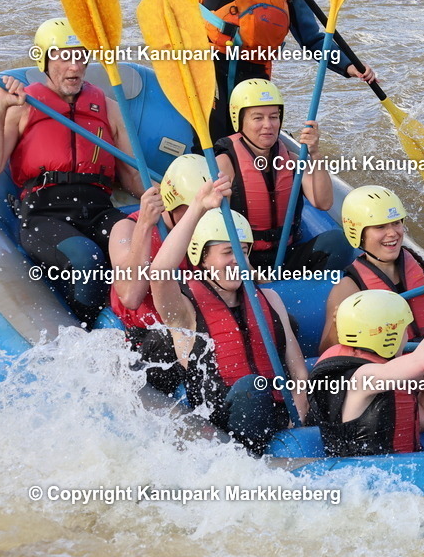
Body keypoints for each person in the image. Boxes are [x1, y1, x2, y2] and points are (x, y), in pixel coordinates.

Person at [150, 176, 309, 455]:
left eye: (243, 251)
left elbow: (297, 372)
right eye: (228, 252)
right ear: (203, 258)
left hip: (278, 415)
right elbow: (160, 273)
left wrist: (297, 416)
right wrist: (198, 206)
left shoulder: (269, 299)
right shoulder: (184, 310)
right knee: (251, 389)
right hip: (222, 422)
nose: (238, 260)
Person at [0, 18, 143, 324]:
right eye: (64, 56)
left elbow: (132, 176)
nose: (75, 67)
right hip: (43, 214)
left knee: (143, 246)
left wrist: (176, 203)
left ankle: (138, 327)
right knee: (86, 258)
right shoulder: (21, 106)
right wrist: (1, 110)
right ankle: (87, 333)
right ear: (44, 60)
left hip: (98, 209)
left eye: (80, 56)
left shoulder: (108, 108)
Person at [191, 0, 376, 143]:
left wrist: (349, 66)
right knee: (216, 139)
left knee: (255, 140)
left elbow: (312, 40)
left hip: (256, 74)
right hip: (213, 67)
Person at [307, 272, 424, 457]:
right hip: (379, 475)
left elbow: (421, 383)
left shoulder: (366, 367)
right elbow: (422, 364)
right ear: (390, 336)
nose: (406, 337)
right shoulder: (364, 377)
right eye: (404, 329)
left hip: (389, 467)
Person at [214, 78, 350, 272]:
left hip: (286, 253)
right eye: (258, 117)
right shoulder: (225, 163)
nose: (268, 125)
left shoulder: (292, 159)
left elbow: (323, 202)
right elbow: (215, 229)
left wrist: (315, 154)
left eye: (274, 116)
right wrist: (250, 271)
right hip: (243, 257)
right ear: (239, 120)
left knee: (338, 242)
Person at [109, 154, 210, 392]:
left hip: (194, 327)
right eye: (196, 209)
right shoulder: (127, 227)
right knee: (166, 341)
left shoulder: (210, 228)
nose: (202, 216)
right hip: (150, 338)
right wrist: (145, 225)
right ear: (173, 202)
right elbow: (131, 297)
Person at [319, 185, 424, 353]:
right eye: (380, 227)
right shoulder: (348, 287)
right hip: (398, 368)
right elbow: (326, 353)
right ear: (358, 233)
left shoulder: (419, 264)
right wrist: (338, 326)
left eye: (396, 223)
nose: (392, 233)